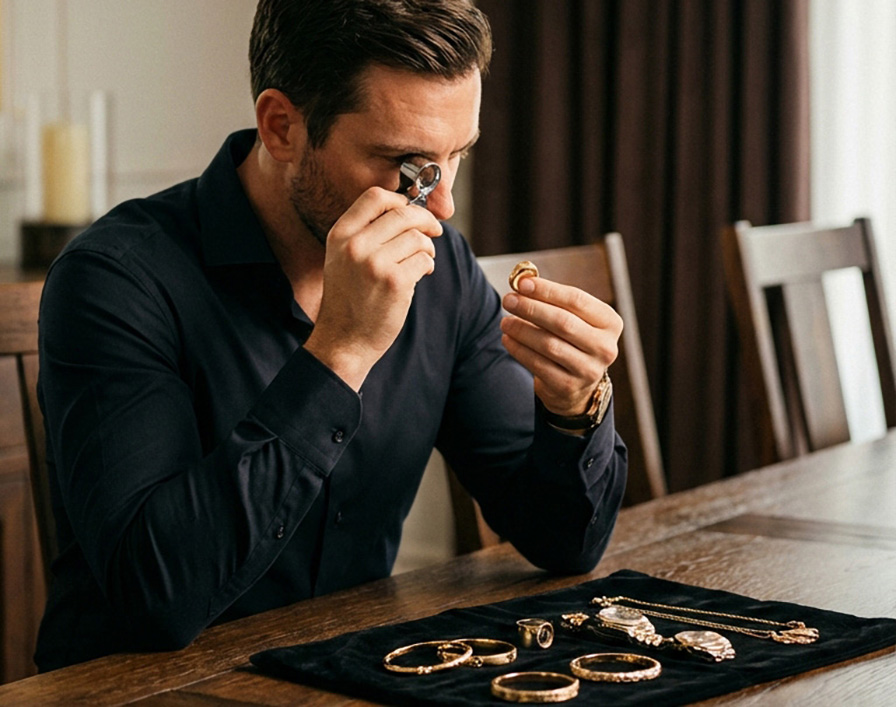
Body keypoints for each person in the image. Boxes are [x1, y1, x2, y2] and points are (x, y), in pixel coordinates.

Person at [34, 0, 627, 671]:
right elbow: (155, 598)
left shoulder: (444, 272)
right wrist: (340, 353)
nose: (441, 206)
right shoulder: (115, 279)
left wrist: (573, 409)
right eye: (406, 162)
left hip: (351, 673)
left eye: (455, 155)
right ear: (281, 127)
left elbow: (563, 541)